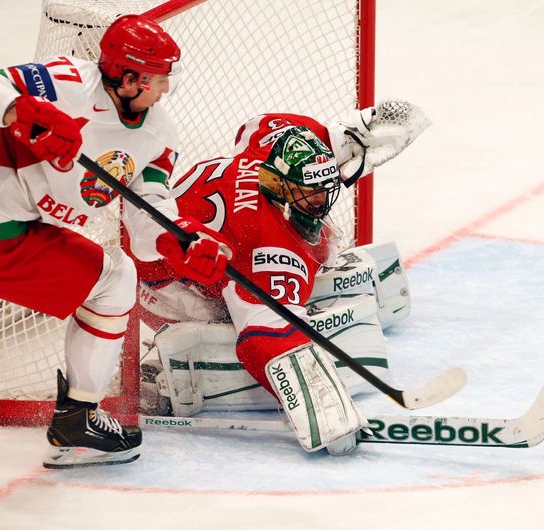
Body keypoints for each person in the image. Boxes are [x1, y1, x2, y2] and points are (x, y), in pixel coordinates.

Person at [0, 14, 231, 469]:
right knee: (114, 279)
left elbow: (148, 212)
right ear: (128, 76)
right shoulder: (64, 80)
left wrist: (181, 241)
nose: (166, 89)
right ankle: (78, 423)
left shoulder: (158, 134)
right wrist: (19, 109)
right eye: (158, 78)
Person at [138, 103, 430, 455]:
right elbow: (265, 338)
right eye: (311, 191)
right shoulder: (266, 246)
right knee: (231, 317)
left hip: (183, 232)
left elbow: (260, 125)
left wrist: (346, 136)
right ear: (279, 185)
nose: (322, 199)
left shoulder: (273, 141)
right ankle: (159, 367)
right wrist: (320, 405)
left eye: (325, 186)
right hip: (160, 282)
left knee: (321, 242)